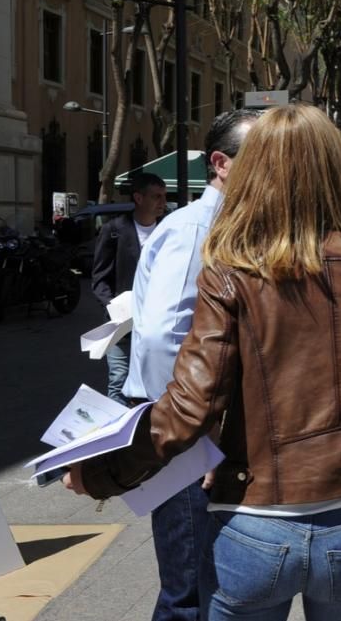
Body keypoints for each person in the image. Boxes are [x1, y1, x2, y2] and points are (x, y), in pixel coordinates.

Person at [65, 103, 341, 621]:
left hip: (254, 523)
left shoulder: (232, 269)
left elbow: (188, 407)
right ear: (335, 170)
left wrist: (103, 474)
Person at [120, 107, 262, 621]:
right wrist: (192, 436)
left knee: (204, 582)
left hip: (197, 434)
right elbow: (161, 339)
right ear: (222, 164)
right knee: (189, 593)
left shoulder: (226, 225)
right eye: (263, 158)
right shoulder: (197, 229)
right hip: (187, 440)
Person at [90, 172, 166, 405]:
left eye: (164, 196)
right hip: (122, 323)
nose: (163, 202)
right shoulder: (114, 230)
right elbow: (99, 279)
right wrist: (114, 306)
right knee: (119, 380)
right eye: (157, 196)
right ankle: (118, 438)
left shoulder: (169, 229)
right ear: (138, 198)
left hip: (159, 323)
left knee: (154, 382)